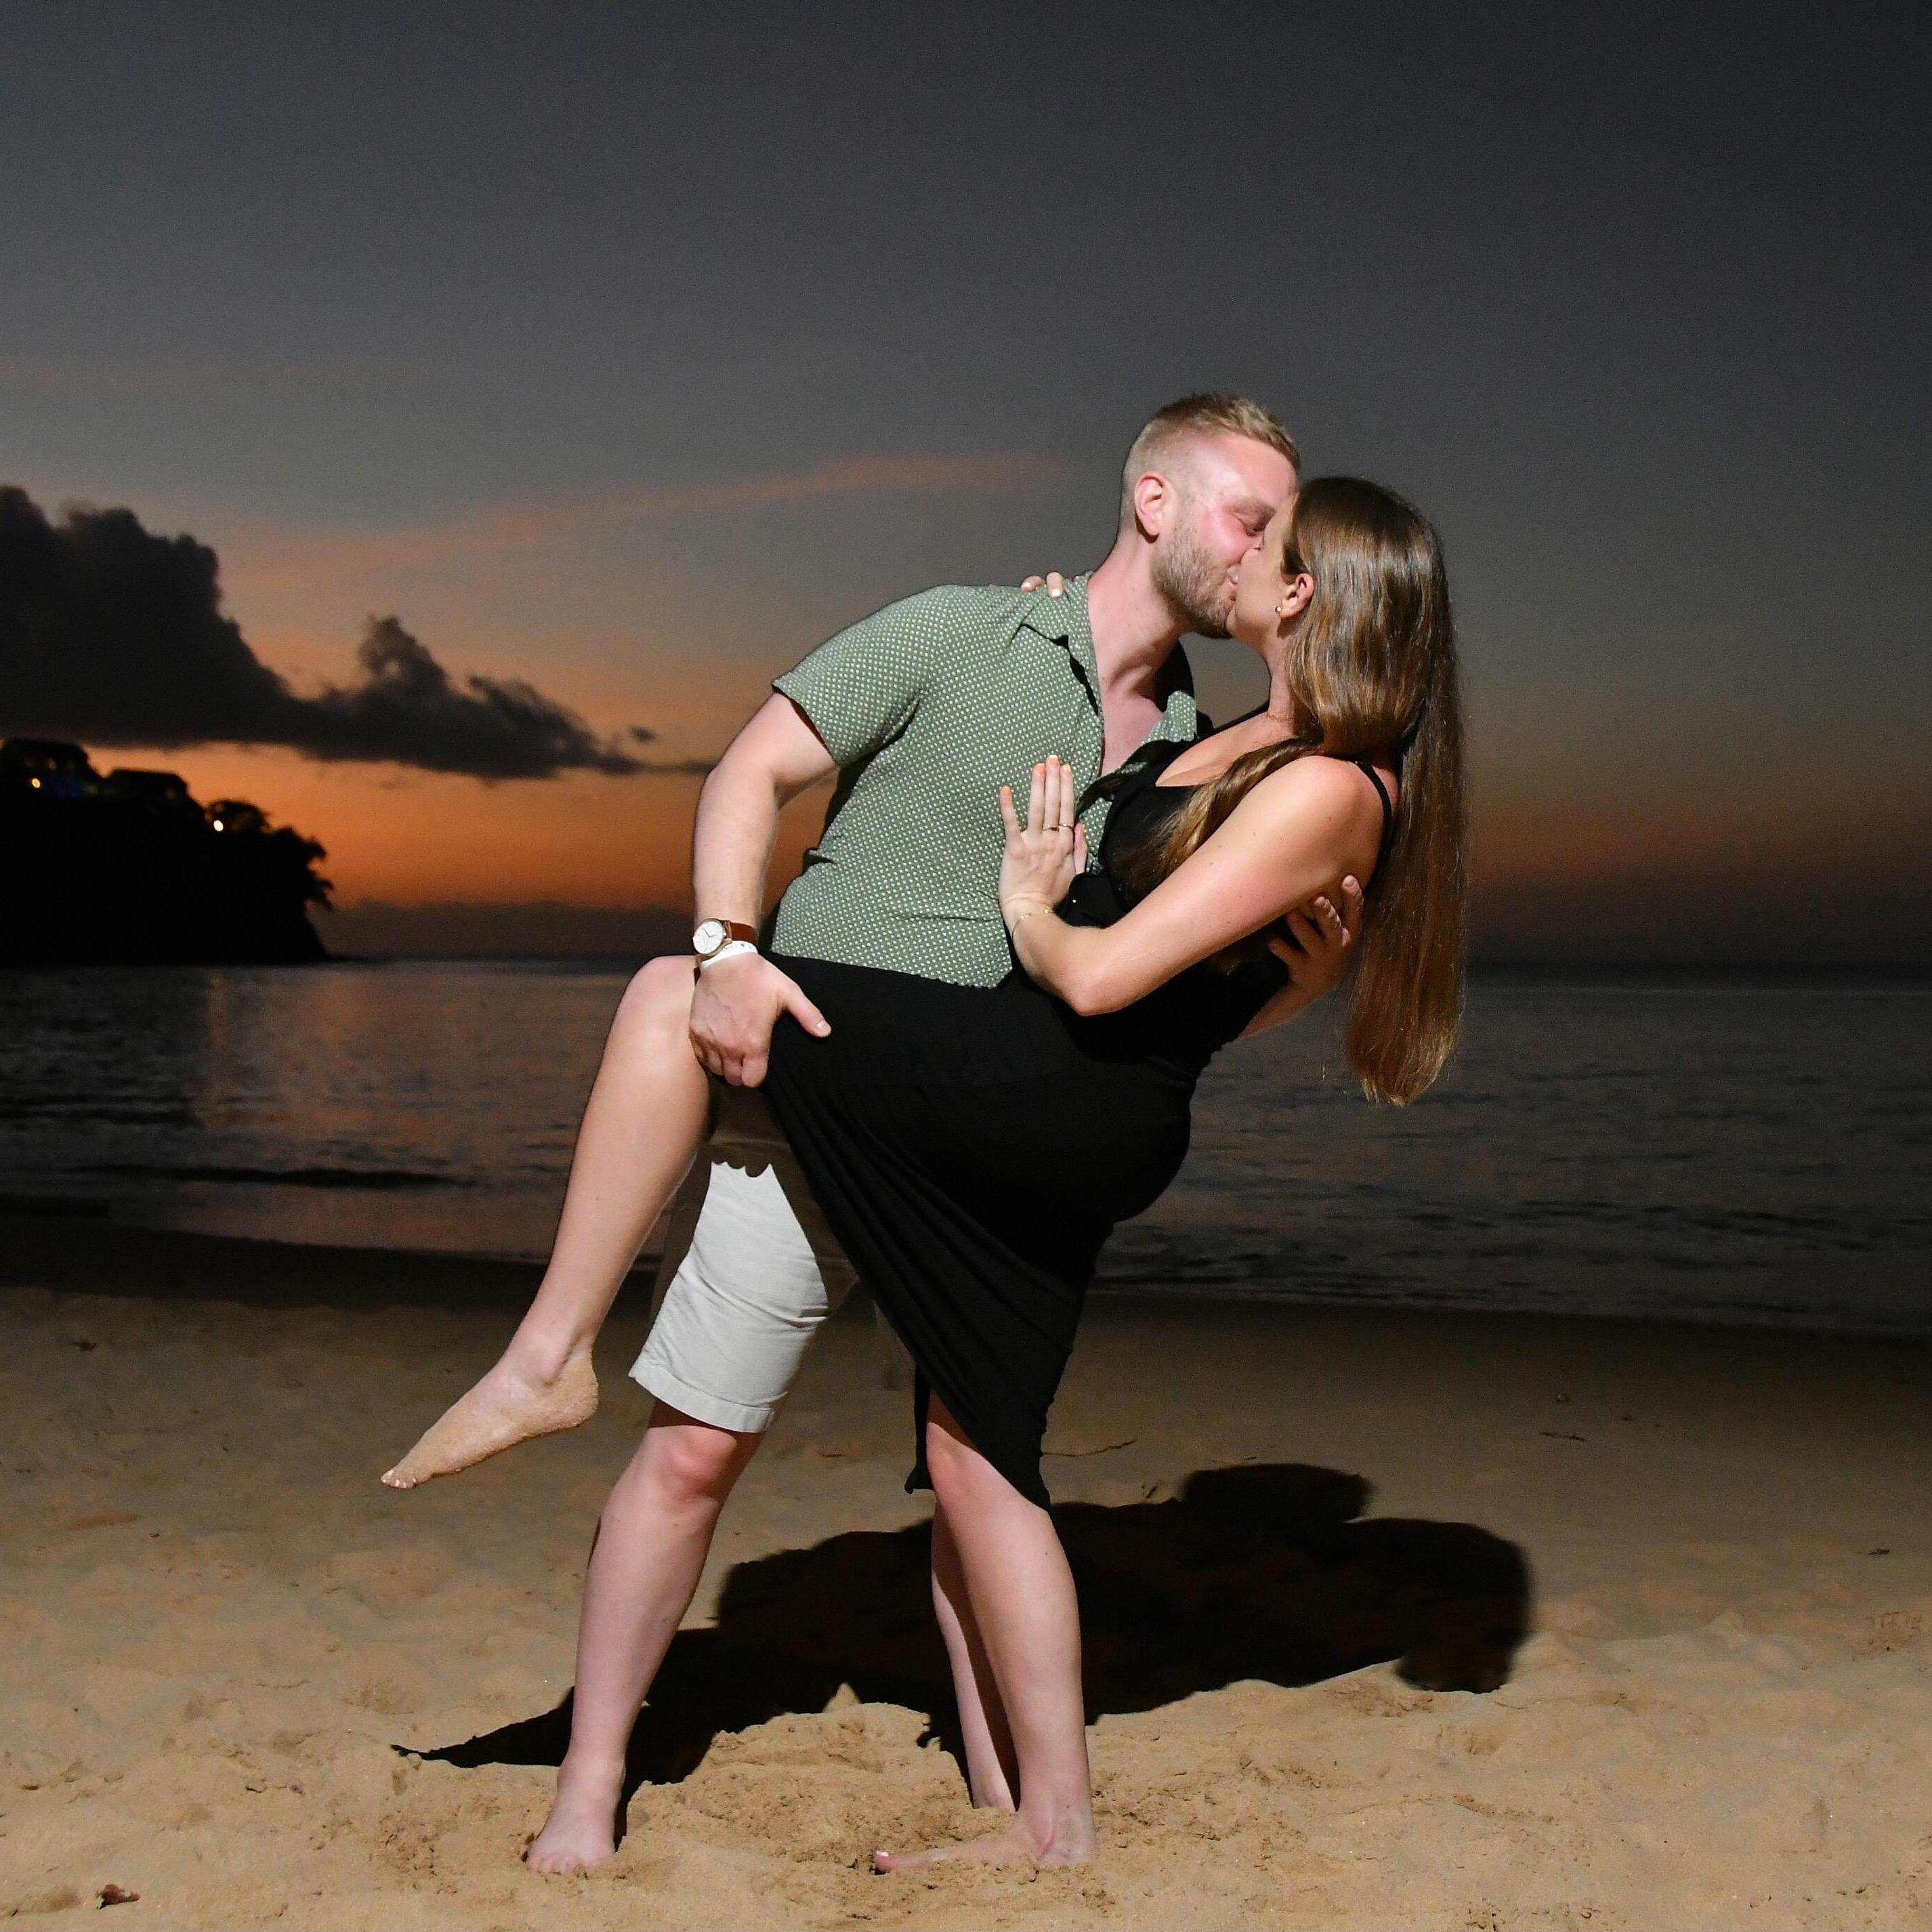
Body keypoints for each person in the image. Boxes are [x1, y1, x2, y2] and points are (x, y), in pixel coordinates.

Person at [389, 405, 1469, 1875]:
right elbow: (746, 773)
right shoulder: (975, 634)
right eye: (1250, 519)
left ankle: (553, 1364)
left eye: (1287, 539)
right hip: (833, 1098)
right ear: (1154, 501)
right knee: (800, 1457)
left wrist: (1255, 965)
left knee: (962, 1458)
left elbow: (1153, 980)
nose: (1265, 555)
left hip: (986, 1102)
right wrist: (730, 949)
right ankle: (627, 1785)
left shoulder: (1224, 741)